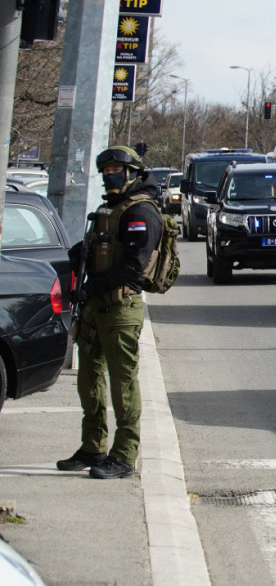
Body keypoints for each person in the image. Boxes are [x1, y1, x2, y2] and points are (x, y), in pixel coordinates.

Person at [57, 146, 163, 479]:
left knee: (122, 384)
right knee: (88, 379)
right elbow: (87, 250)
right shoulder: (110, 209)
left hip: (120, 309)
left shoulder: (141, 213)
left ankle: (124, 454)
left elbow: (134, 267)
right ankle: (93, 446)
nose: (109, 175)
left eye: (116, 169)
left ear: (133, 172)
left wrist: (92, 287)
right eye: (105, 171)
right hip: (96, 307)